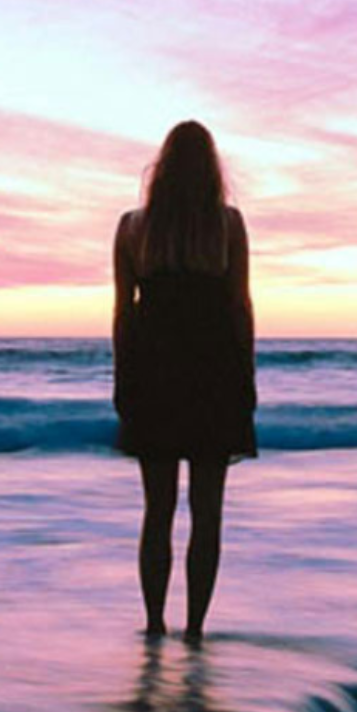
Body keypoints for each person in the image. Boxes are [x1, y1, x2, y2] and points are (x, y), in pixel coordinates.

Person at [112, 120, 257, 643]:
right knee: (207, 512)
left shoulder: (133, 226)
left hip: (153, 372)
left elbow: (123, 313)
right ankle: (195, 629)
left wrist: (122, 378)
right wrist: (248, 377)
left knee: (157, 510)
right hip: (214, 372)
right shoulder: (228, 225)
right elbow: (240, 307)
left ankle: (155, 624)